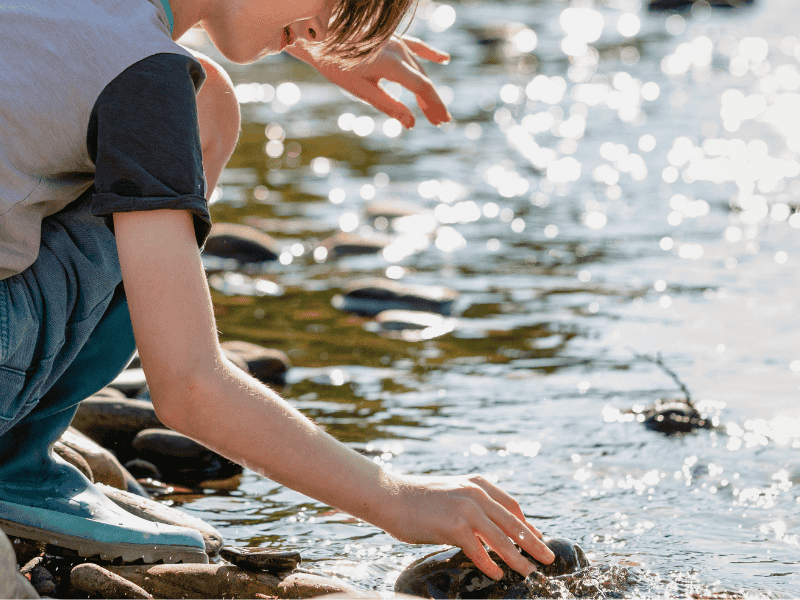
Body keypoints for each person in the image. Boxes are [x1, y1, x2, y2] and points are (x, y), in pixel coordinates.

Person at [0, 0, 555, 581]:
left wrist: (312, 32)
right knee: (198, 109)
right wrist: (396, 497)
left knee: (205, 95)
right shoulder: (145, 81)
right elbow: (188, 385)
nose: (326, 27)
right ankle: (12, 464)